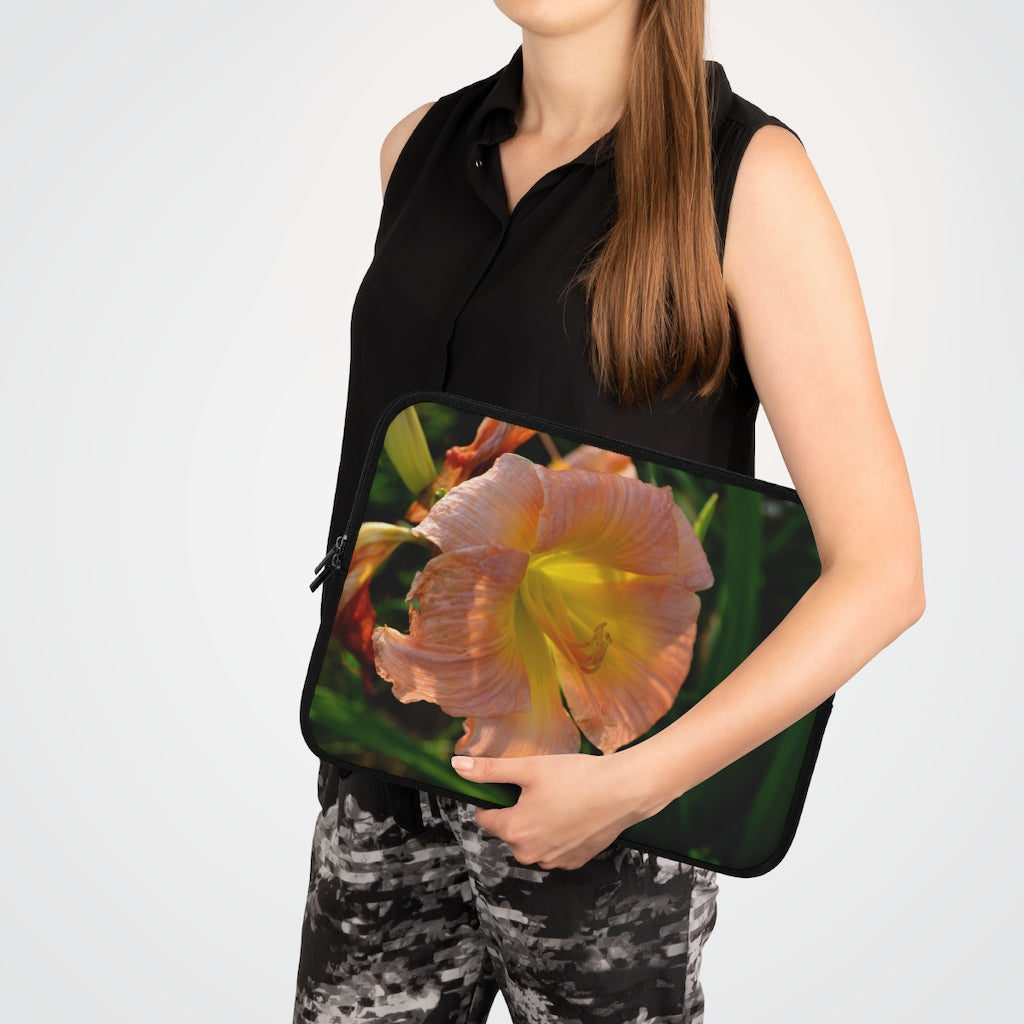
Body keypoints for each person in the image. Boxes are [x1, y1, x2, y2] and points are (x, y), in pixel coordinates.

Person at [293, 1, 925, 1021]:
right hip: (380, 766)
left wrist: (634, 785)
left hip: (606, 819)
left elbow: (884, 571)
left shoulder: (750, 177)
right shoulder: (415, 149)